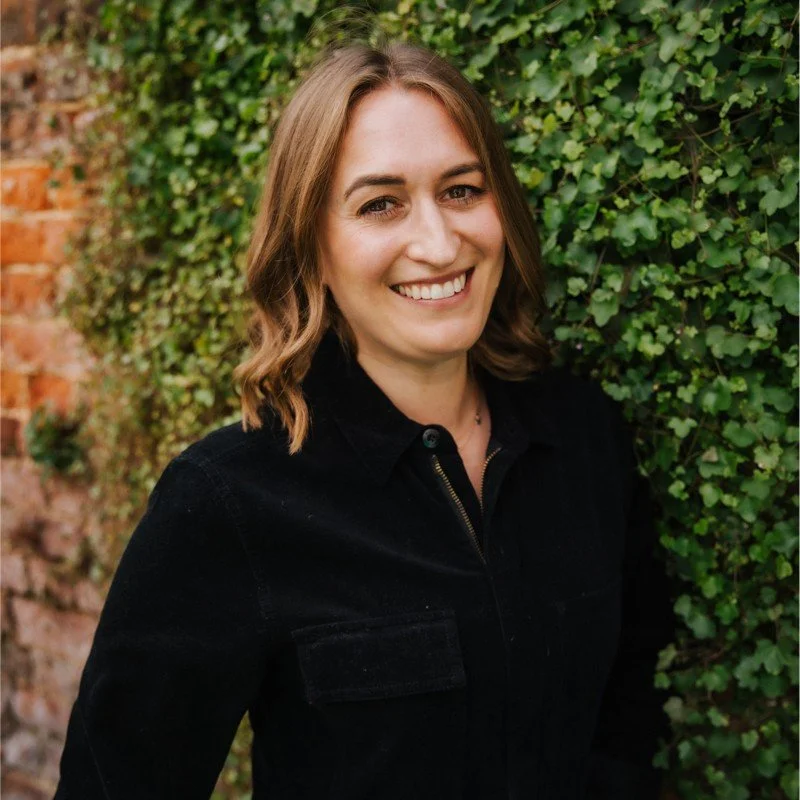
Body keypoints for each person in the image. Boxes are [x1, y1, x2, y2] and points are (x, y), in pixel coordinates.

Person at [55, 40, 673, 799]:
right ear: (310, 245)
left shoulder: (582, 438)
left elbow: (627, 704)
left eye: (462, 190)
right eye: (381, 204)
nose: (439, 243)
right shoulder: (229, 501)